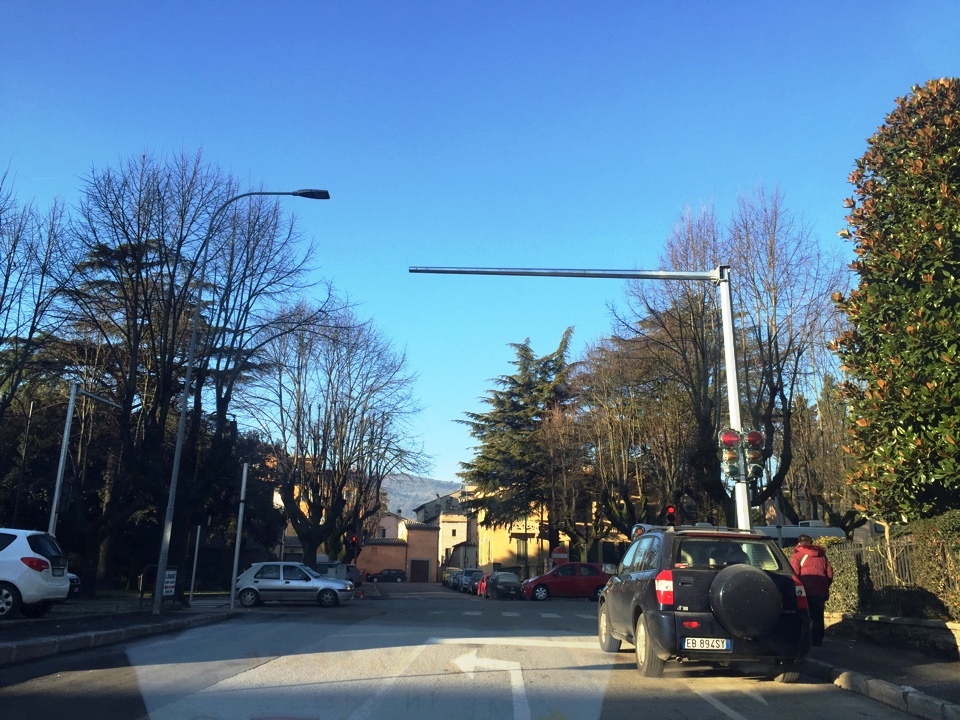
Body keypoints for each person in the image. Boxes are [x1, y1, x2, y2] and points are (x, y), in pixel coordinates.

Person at [790, 533, 834, 646]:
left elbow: (794, 573)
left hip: (804, 590)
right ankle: (817, 640)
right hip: (820, 591)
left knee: (803, 615)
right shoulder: (821, 556)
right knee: (818, 616)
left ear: (799, 543)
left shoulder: (797, 555)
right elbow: (829, 573)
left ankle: (803, 639)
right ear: (811, 542)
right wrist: (824, 585)